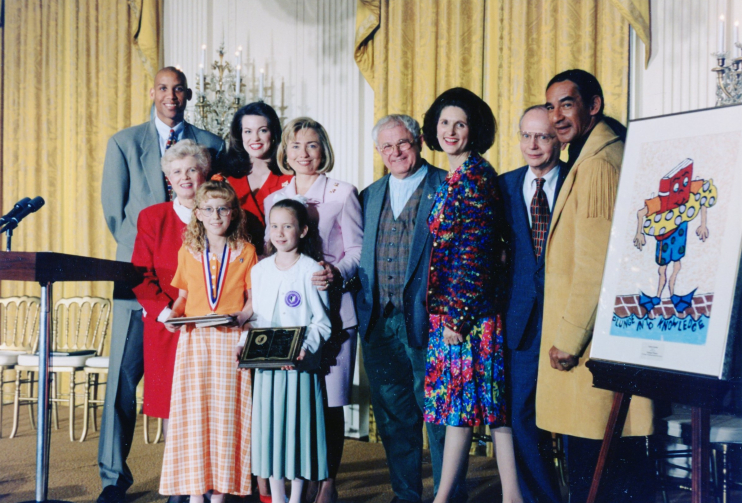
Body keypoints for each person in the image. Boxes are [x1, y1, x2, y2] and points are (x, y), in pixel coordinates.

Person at [99, 66, 224, 503]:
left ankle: (188, 481)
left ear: (188, 94)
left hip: (194, 290)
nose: (171, 96)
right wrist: (148, 266)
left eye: (178, 89)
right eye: (163, 89)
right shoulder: (125, 142)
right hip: (140, 278)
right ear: (152, 92)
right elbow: (117, 216)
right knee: (122, 383)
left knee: (187, 391)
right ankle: (113, 478)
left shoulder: (212, 145)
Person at [538, 69, 654, 502]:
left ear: (594, 105)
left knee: (597, 470)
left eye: (566, 104)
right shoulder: (592, 154)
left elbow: (597, 262)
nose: (557, 116)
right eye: (551, 106)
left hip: (589, 348)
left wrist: (569, 338)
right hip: (598, 343)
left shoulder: (600, 162)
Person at [356, 114, 463, 503]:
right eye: (387, 146)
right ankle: (406, 496)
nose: (396, 152)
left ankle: (448, 496)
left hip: (430, 323)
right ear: (379, 152)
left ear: (418, 141)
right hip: (379, 323)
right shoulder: (368, 196)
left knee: (437, 416)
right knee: (394, 418)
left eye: (403, 143)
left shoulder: (447, 186)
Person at [421, 87, 520, 503]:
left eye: (460, 123)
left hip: (467, 317)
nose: (450, 130)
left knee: (489, 410)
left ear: (473, 129)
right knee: (461, 409)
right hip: (455, 314)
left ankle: (511, 496)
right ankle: (446, 496)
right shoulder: (457, 176)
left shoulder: (475, 176)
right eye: (444, 122)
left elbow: (477, 251)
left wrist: (457, 317)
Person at [264, 117, 363, 503]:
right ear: (284, 152)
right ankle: (298, 479)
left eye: (311, 145)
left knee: (330, 400)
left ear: (324, 150)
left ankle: (327, 483)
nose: (303, 154)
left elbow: (357, 249)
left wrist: (335, 271)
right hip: (290, 316)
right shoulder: (275, 198)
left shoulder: (343, 192)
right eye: (295, 146)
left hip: (336, 311)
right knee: (295, 397)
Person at [159, 180, 257, 502]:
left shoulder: (246, 251)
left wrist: (242, 318)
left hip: (230, 341)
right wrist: (173, 316)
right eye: (209, 209)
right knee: (194, 416)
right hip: (196, 341)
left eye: (223, 209)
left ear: (233, 213)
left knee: (226, 417)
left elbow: (253, 298)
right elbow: (183, 298)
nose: (216, 215)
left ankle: (220, 492)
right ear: (198, 214)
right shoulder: (188, 252)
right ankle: (195, 491)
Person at [242, 198, 332, 503]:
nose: (280, 233)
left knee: (297, 432)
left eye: (288, 226)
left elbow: (322, 323)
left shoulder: (311, 270)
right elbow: (256, 319)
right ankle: (277, 498)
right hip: (268, 369)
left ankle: (296, 499)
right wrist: (245, 345)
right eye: (274, 226)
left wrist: (304, 349)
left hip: (298, 368)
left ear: (303, 230)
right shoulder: (261, 270)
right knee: (270, 434)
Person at [496, 106, 565, 503]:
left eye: (542, 137)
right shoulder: (504, 186)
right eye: (526, 136)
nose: (533, 145)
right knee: (521, 416)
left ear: (557, 139)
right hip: (520, 321)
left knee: (570, 422)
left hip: (568, 319)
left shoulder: (577, 178)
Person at [131, 140, 210, 437]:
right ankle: (176, 481)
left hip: (210, 323)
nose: (185, 177)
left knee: (209, 402)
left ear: (204, 173)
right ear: (169, 178)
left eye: (192, 169)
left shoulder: (219, 213)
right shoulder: (153, 217)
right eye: (177, 171)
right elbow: (140, 274)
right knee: (171, 405)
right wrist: (165, 314)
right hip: (168, 325)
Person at [223, 102, 292, 256]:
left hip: (281, 261)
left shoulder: (290, 175)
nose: (255, 138)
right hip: (238, 263)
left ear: (273, 133)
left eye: (262, 130)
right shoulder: (226, 179)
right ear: (239, 135)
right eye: (247, 131)